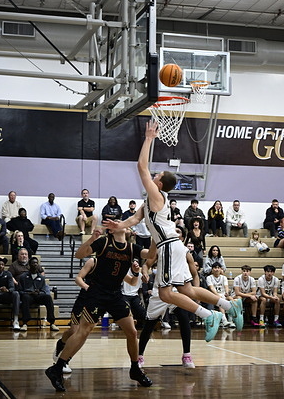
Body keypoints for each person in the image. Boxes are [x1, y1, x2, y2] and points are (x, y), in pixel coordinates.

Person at [104, 121, 243, 344]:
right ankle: (229, 304)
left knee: (167, 293)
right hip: (171, 245)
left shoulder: (157, 196)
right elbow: (136, 219)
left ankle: (210, 315)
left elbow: (141, 167)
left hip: (169, 246)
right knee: (186, 289)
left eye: (156, 175)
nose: (153, 175)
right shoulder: (150, 202)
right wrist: (118, 226)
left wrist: (149, 138)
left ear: (158, 183)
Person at [45, 226, 156, 392]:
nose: (123, 224)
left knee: (132, 331)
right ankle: (57, 367)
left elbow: (151, 255)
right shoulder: (104, 242)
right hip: (97, 292)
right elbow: (79, 254)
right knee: (82, 331)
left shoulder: (132, 248)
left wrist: (155, 234)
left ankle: (134, 369)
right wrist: (91, 239)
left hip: (115, 294)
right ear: (112, 230)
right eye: (119, 222)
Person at [53, 250, 140, 374]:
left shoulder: (116, 265)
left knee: (84, 332)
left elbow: (132, 282)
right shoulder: (93, 261)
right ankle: (61, 344)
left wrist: (136, 273)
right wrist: (87, 287)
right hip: (85, 298)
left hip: (99, 300)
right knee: (74, 330)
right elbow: (78, 278)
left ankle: (65, 361)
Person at [139, 250, 198, 369]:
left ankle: (187, 355)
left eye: (178, 231)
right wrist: (145, 273)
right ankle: (139, 356)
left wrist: (196, 292)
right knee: (149, 325)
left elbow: (195, 274)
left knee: (184, 318)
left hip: (176, 291)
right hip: (159, 291)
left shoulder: (185, 252)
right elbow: (146, 265)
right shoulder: (160, 249)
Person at [18, 256, 59, 332]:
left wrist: (39, 292)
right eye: (33, 263)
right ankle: (25, 323)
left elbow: (44, 290)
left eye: (36, 263)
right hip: (28, 296)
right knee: (25, 297)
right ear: (29, 265)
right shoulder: (23, 277)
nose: (35, 264)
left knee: (48, 297)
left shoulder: (42, 278)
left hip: (38, 296)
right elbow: (20, 290)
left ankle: (52, 323)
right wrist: (29, 292)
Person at [206, 262, 236, 329]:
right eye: (215, 268)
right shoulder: (209, 277)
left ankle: (231, 320)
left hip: (223, 295)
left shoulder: (224, 277)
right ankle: (224, 321)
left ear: (221, 269)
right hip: (213, 295)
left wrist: (227, 292)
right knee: (221, 301)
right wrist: (217, 295)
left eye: (218, 268)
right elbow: (211, 288)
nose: (217, 269)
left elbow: (226, 286)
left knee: (232, 300)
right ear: (212, 269)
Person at [0, 257, 21, 330]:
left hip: (6, 295)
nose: (1, 266)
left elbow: (12, 287)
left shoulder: (8, 274)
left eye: (2, 264)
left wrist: (7, 290)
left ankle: (16, 320)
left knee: (16, 293)